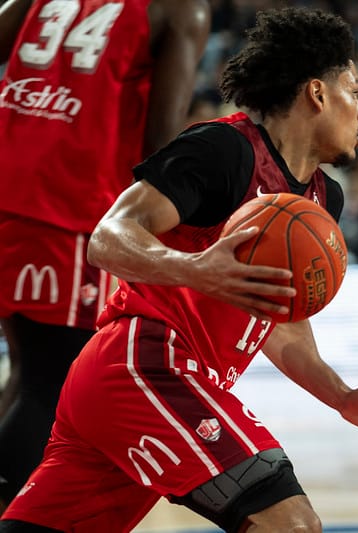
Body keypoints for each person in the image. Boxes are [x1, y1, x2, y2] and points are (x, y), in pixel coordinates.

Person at [0, 7, 358, 533]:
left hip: (157, 387)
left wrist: (340, 396)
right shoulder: (223, 149)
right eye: (354, 90)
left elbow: (282, 321)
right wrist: (194, 268)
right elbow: (110, 238)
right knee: (292, 525)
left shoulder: (322, 199)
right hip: (143, 366)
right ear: (317, 93)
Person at [0, 0, 210, 506]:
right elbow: (162, 143)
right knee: (52, 385)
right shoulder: (181, 10)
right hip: (69, 208)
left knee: (30, 373)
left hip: (11, 192)